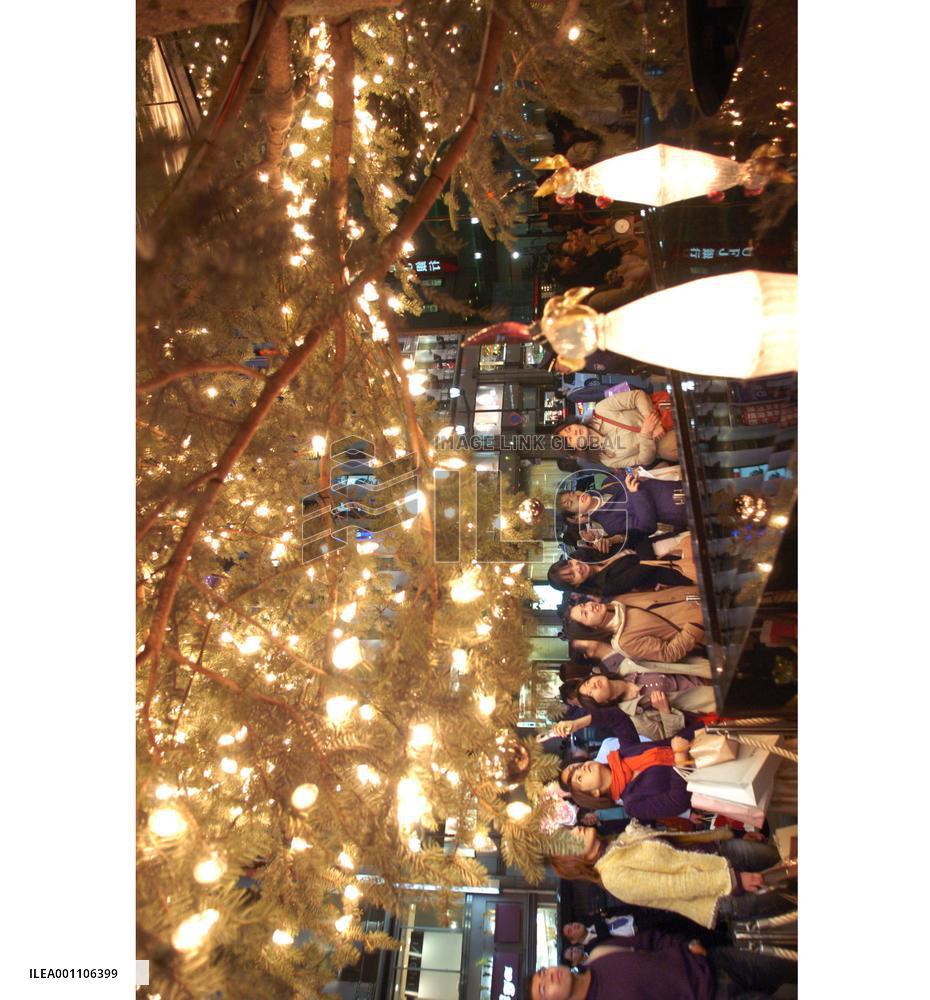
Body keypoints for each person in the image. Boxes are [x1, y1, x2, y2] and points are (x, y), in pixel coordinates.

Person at [550, 823, 790, 930]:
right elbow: (676, 886)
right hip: (722, 890)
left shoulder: (617, 842)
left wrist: (728, 836)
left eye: (569, 829)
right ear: (575, 860)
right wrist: (732, 881)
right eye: (570, 839)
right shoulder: (612, 877)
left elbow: (677, 843)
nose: (576, 830)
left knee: (787, 853)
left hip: (720, 854)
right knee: (790, 891)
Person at [530, 926, 796, 999]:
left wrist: (686, 945)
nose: (550, 977)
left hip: (715, 962)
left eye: (543, 972)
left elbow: (651, 940)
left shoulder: (599, 954)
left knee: (789, 966)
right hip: (716, 996)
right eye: (544, 988)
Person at [552, 705, 698, 822]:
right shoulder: (633, 804)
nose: (581, 769)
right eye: (580, 778)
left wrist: (577, 724)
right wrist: (680, 756)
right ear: (594, 793)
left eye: (578, 767)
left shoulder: (624, 752)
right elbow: (677, 802)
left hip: (699, 740)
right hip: (707, 778)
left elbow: (618, 718)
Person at [562, 669, 714, 741]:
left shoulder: (628, 665)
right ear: (602, 703)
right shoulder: (635, 717)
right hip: (710, 702)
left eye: (588, 682)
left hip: (707, 669)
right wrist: (665, 712)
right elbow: (671, 740)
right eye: (590, 694)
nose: (592, 686)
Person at [562, 591, 705, 663]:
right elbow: (668, 653)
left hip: (698, 595)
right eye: (585, 614)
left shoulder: (618, 602)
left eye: (584, 605)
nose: (590, 606)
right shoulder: (624, 641)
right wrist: (694, 627)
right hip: (706, 623)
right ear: (591, 629)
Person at [553, 389, 678, 469]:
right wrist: (646, 434)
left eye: (569, 429)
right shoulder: (608, 459)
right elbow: (645, 460)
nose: (574, 432)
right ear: (577, 448)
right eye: (570, 439)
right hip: (674, 448)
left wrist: (652, 421)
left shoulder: (601, 409)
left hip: (670, 413)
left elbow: (636, 396)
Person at [560, 472, 690, 542]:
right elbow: (647, 526)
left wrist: (632, 472)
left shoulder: (607, 483)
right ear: (577, 516)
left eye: (572, 493)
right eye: (570, 503)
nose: (576, 497)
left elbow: (631, 472)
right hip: (680, 510)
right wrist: (635, 493)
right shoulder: (610, 524)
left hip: (676, 485)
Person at [547, 547, 692, 598]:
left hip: (675, 548)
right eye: (572, 575)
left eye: (570, 564)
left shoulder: (598, 553)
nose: (577, 567)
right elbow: (647, 565)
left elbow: (636, 532)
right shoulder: (605, 587)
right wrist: (636, 548)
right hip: (676, 570)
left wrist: (617, 539)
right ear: (576, 586)